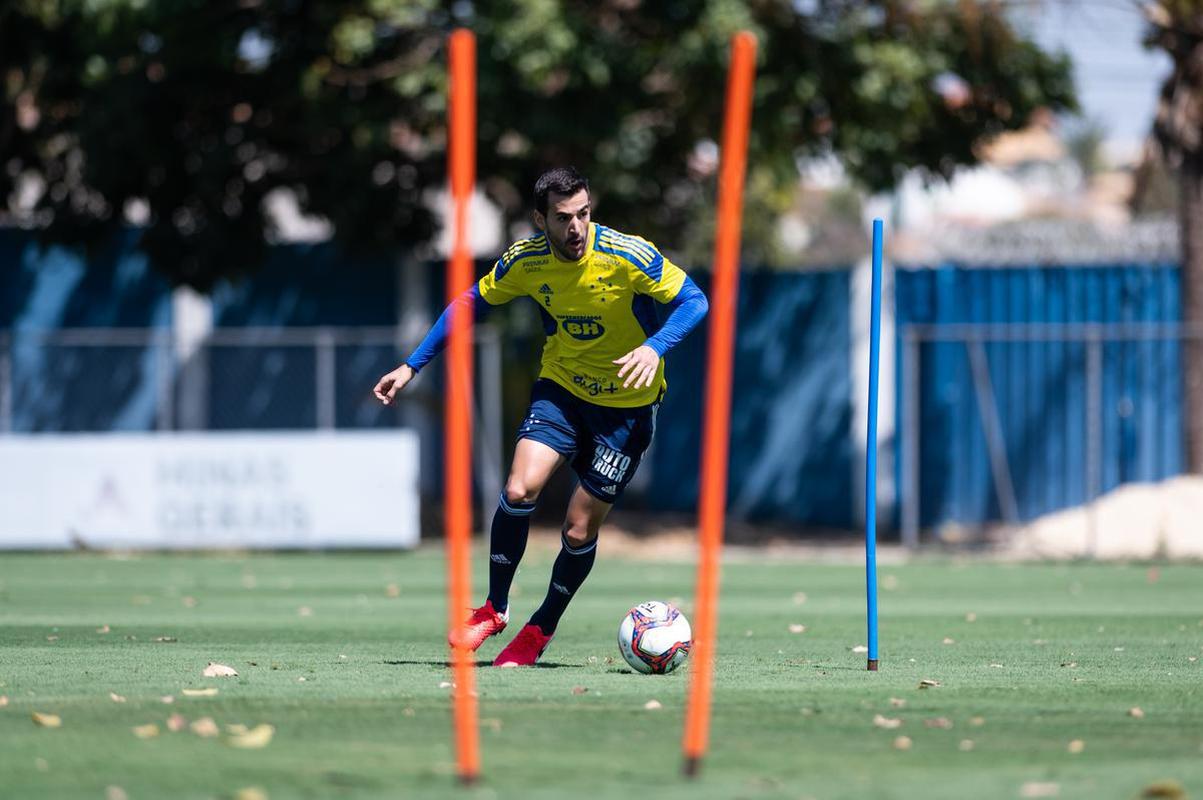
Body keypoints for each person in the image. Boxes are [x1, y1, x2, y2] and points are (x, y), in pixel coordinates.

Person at [373, 166, 708, 667]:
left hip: (626, 411)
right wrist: (411, 365)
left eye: (584, 214)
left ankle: (539, 630)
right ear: (540, 219)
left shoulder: (627, 254)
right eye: (563, 217)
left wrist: (655, 348)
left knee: (577, 530)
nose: (576, 227)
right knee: (517, 490)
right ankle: (494, 607)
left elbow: (694, 301)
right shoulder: (524, 261)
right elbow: (470, 303)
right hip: (563, 391)